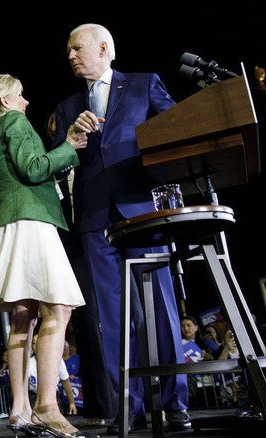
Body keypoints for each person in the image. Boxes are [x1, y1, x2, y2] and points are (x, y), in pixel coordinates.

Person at [51, 23, 190, 434]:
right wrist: (72, 137)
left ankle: (173, 403)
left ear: (104, 48)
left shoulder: (145, 84)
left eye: (77, 48)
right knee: (110, 319)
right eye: (69, 51)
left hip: (142, 209)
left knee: (161, 310)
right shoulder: (65, 107)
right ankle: (126, 408)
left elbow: (175, 131)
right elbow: (59, 163)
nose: (71, 56)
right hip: (95, 219)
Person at [0, 73, 89, 438]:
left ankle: (19, 409)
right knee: (58, 309)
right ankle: (46, 405)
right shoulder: (15, 120)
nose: (26, 103)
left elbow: (19, 175)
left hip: (6, 222)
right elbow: (32, 169)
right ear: (5, 101)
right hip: (30, 222)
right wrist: (69, 145)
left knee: (23, 315)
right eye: (21, 96)